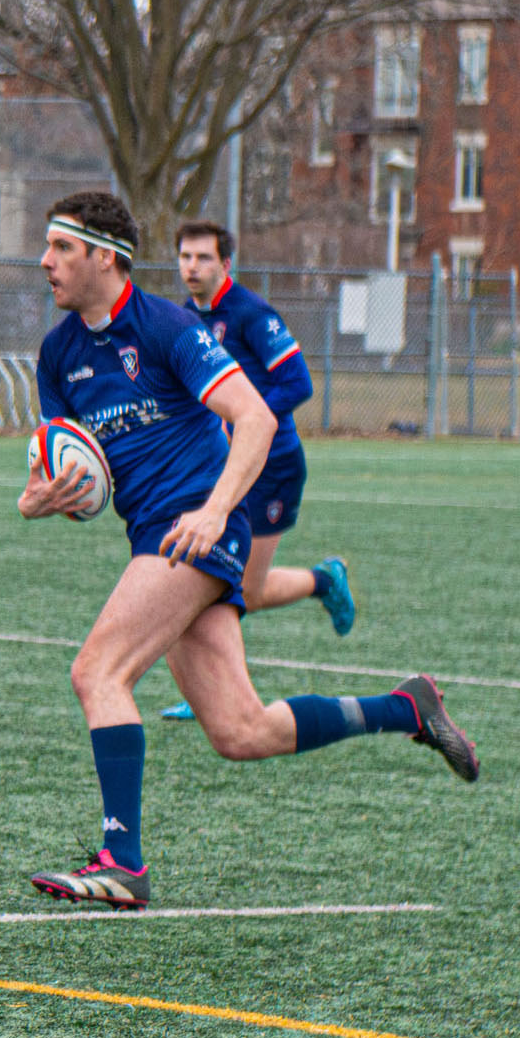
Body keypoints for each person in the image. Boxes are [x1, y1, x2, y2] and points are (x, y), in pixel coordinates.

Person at [19, 191, 478, 910]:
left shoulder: (168, 329)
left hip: (199, 531)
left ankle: (123, 861)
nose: (44, 262)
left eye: (61, 248)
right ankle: (405, 709)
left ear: (105, 256)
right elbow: (61, 464)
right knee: (241, 730)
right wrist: (41, 496)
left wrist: (213, 509)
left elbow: (257, 418)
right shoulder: (59, 354)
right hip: (156, 534)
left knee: (97, 671)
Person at [157, 219, 353, 723]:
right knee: (219, 576)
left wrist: (244, 419)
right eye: (185, 257)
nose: (192, 267)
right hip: (220, 469)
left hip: (273, 466)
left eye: (203, 258)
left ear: (226, 264)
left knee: (239, 587)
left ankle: (321, 582)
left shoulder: (250, 314)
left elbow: (297, 382)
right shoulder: (180, 319)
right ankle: (321, 582)